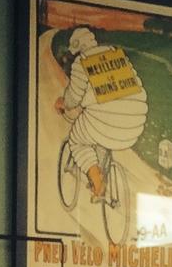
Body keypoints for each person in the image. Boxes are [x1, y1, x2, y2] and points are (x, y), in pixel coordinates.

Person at [54, 24, 147, 202]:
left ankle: (98, 184)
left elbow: (73, 97)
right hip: (135, 124)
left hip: (107, 124)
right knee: (101, 130)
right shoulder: (116, 55)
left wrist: (63, 104)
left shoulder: (81, 62)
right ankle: (103, 170)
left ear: (78, 47)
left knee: (77, 140)